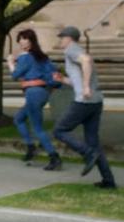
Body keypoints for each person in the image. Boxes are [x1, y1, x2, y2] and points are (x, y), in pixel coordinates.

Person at [52, 26, 116, 189]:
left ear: (69, 38)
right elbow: (78, 79)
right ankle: (108, 181)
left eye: (62, 37)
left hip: (84, 101)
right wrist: (63, 80)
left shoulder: (71, 50)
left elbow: (86, 61)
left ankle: (88, 154)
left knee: (59, 130)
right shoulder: (76, 50)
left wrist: (86, 86)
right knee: (93, 142)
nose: (60, 40)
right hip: (96, 102)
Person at [7, 29, 62, 171]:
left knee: (37, 128)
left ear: (30, 41)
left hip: (33, 93)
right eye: (19, 38)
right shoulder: (42, 57)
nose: (20, 41)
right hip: (42, 93)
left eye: (24, 38)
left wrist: (10, 63)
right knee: (19, 118)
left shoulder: (25, 57)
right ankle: (30, 146)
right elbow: (54, 76)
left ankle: (53, 156)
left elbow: (15, 75)